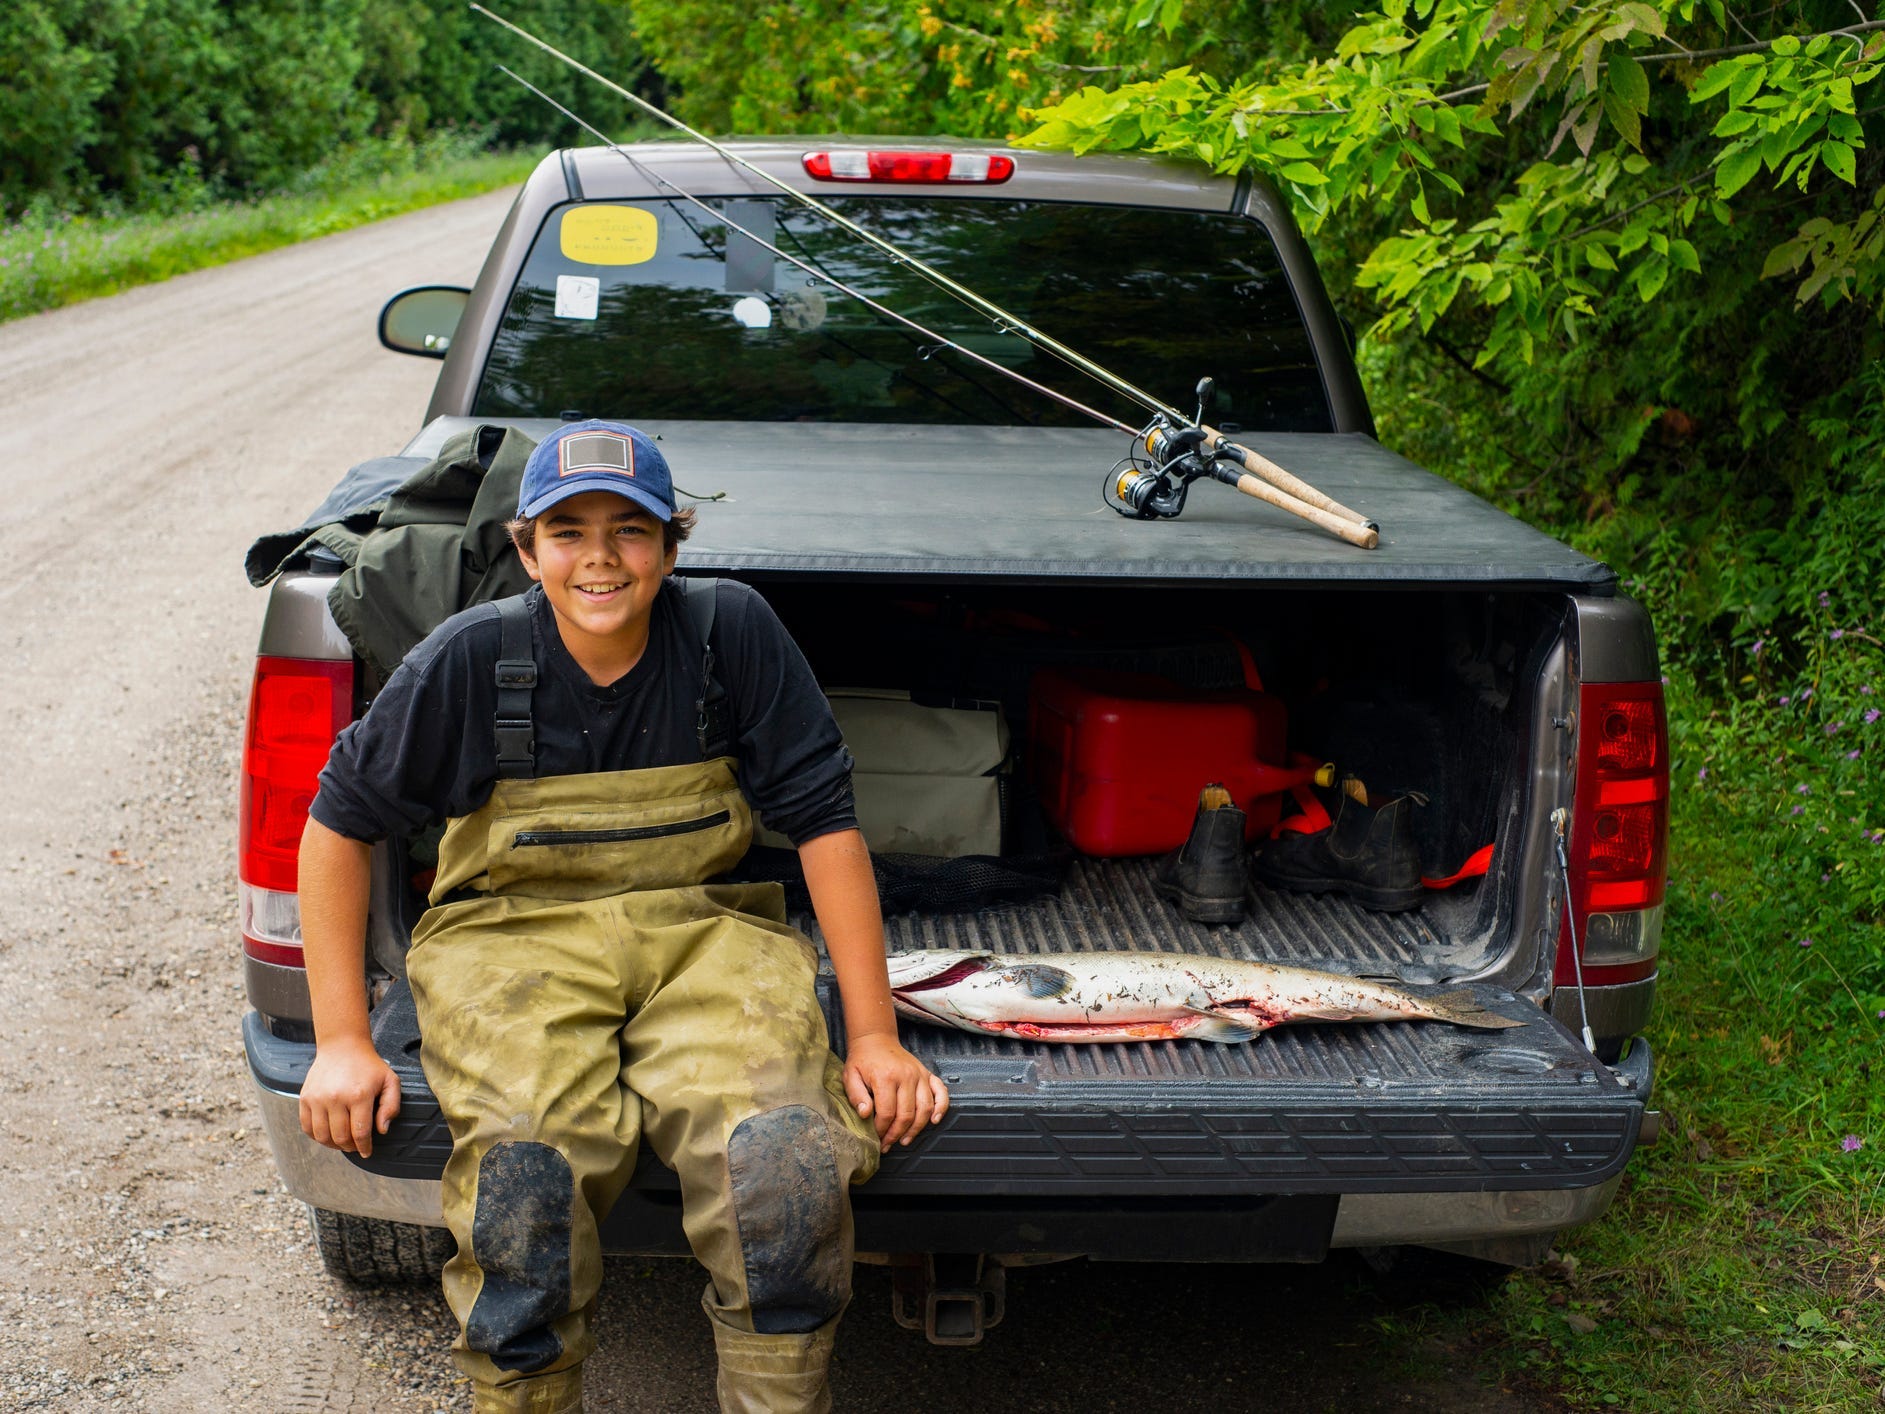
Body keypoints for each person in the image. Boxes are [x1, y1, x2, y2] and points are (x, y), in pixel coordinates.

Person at [295, 419, 948, 1414]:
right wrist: (341, 1039)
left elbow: (825, 827)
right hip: (508, 942)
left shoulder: (731, 632)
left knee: (778, 1165)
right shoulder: (473, 658)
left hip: (704, 935)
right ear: (526, 549)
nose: (600, 558)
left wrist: (875, 1037)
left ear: (673, 544)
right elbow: (338, 827)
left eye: (630, 530)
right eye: (567, 531)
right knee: (528, 1178)